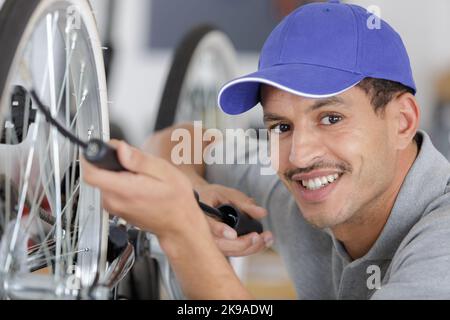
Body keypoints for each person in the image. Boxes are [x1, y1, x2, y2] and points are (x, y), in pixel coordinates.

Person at [82, 0, 450, 299]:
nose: (300, 156)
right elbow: (170, 141)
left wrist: (183, 231)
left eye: (331, 119)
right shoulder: (299, 191)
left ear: (402, 121)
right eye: (281, 126)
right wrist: (192, 186)